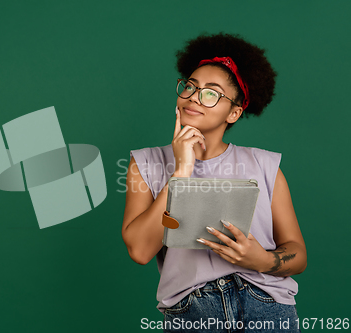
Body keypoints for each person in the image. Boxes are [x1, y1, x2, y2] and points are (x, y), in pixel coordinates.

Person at [121, 32, 307, 333]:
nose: (194, 96)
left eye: (211, 92)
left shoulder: (264, 165)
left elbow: (298, 254)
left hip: (267, 308)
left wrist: (260, 259)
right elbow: (140, 251)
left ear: (234, 112)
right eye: (191, 86)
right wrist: (181, 171)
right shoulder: (145, 163)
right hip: (192, 313)